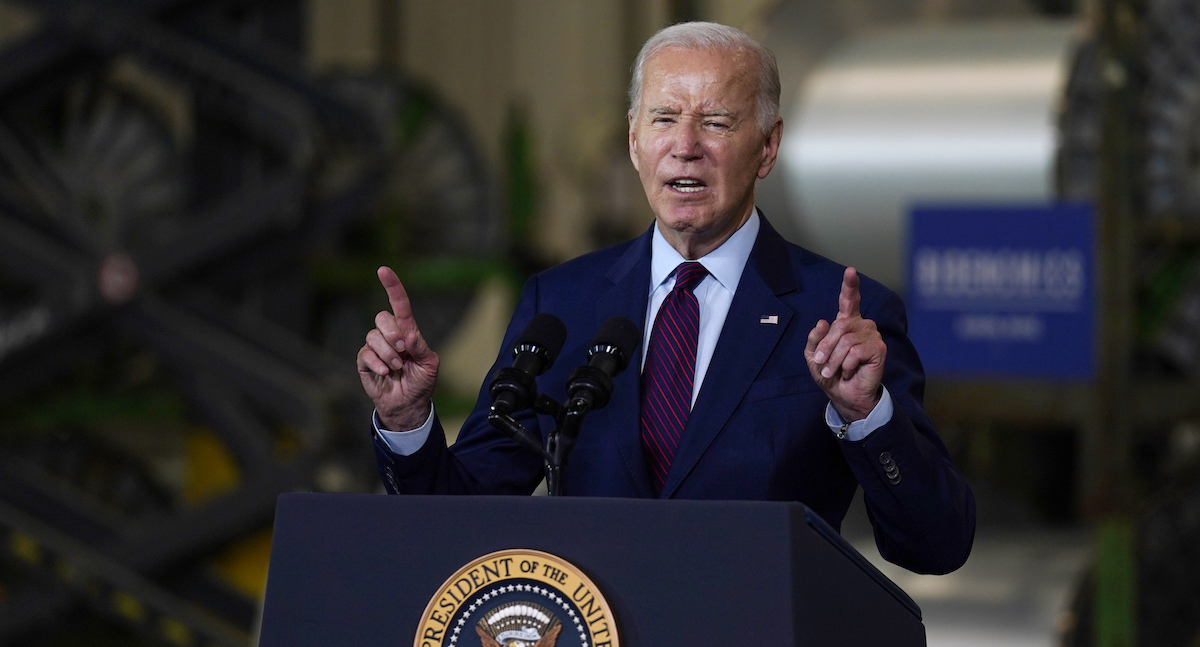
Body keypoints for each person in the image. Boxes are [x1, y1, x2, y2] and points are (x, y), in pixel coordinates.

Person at [357, 22, 975, 575]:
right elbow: (461, 521)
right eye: (663, 118)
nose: (685, 145)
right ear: (633, 141)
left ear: (768, 146)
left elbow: (935, 545)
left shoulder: (840, 315)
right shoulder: (563, 302)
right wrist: (408, 422)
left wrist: (867, 417)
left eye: (715, 122)